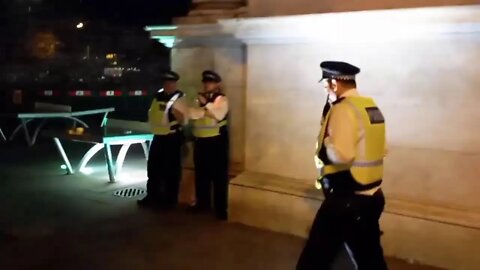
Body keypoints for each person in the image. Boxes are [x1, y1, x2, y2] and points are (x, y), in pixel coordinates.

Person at [296, 61, 388, 270]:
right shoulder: (369, 106)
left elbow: (341, 155)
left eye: (325, 85)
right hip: (372, 196)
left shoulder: (343, 110)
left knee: (314, 258)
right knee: (370, 259)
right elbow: (383, 149)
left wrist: (328, 141)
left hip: (346, 199)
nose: (325, 90)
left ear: (334, 84)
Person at [138, 70, 188, 209]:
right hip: (158, 136)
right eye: (165, 82)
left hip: (172, 137)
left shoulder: (180, 97)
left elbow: (184, 120)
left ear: (175, 83)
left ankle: (169, 200)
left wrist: (176, 114)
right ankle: (152, 196)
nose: (167, 85)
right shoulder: (157, 96)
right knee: (153, 168)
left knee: (171, 170)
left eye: (170, 83)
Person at [188, 70, 230, 220]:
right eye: (205, 82)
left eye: (210, 83)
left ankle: (221, 209)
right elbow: (192, 114)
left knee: (219, 177)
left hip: (216, 142)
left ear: (217, 84)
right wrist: (207, 110)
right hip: (200, 141)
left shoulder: (222, 99)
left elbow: (219, 115)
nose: (207, 85)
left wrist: (206, 106)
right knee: (201, 175)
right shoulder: (198, 99)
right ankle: (202, 204)